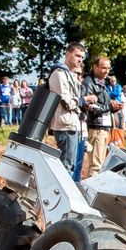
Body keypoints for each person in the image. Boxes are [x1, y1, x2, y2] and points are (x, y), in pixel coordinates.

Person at [48, 42, 90, 175]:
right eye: (77, 56)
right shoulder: (59, 74)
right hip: (64, 125)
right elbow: (66, 102)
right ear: (67, 54)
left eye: (82, 57)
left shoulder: (68, 75)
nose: (80, 60)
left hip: (71, 124)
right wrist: (84, 100)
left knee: (70, 165)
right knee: (66, 166)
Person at [80, 55, 120, 176]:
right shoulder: (88, 83)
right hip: (95, 128)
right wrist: (109, 107)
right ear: (95, 67)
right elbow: (88, 107)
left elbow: (102, 104)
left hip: (103, 127)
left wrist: (113, 108)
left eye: (108, 68)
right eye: (103, 68)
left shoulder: (102, 83)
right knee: (96, 166)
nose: (106, 71)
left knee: (100, 164)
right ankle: (90, 193)